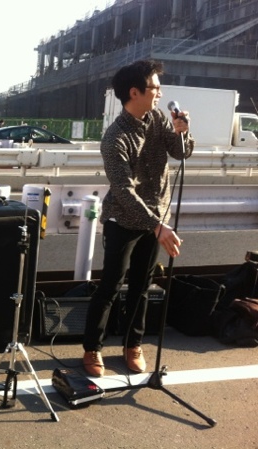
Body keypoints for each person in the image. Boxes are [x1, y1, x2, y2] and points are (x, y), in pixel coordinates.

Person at [81, 59, 194, 378]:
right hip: (124, 220)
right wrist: (157, 225)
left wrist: (183, 132)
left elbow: (181, 153)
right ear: (135, 92)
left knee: (142, 286)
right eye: (155, 87)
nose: (160, 93)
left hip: (157, 218)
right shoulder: (115, 138)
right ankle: (92, 348)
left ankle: (133, 344)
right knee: (110, 285)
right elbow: (123, 191)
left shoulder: (157, 118)